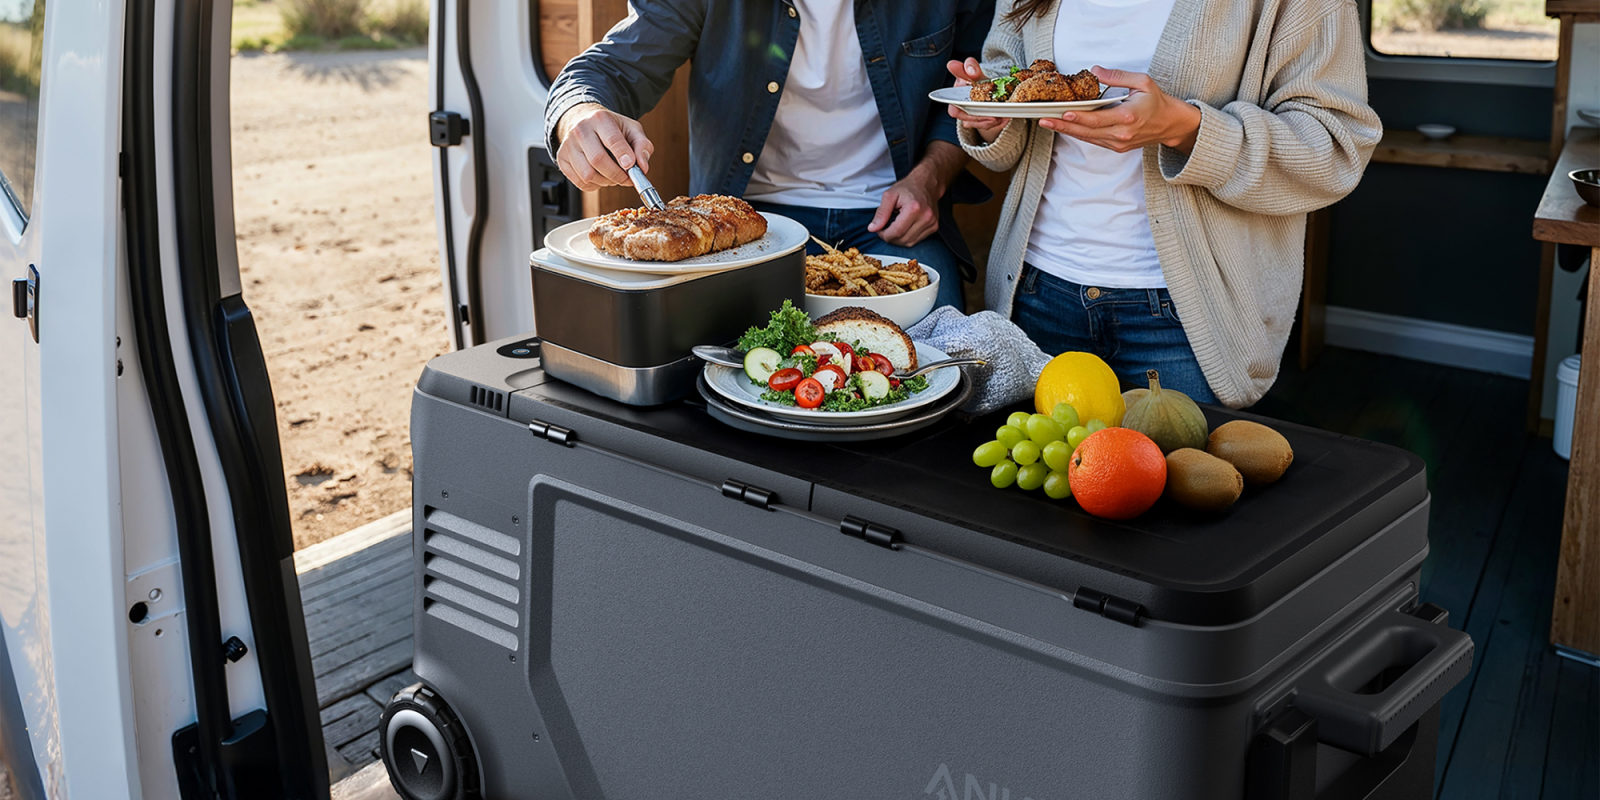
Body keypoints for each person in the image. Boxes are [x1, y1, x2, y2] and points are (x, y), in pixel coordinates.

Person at [947, 0, 1381, 406]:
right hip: (1035, 292)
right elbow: (1010, 97)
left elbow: (1334, 149)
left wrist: (1187, 131)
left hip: (1188, 317)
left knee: (1177, 482)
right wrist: (991, 116)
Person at [546, 0, 998, 311]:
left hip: (893, 221)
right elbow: (608, 67)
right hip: (746, 225)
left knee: (942, 336)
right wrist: (579, 113)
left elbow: (973, 89)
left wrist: (931, 177)